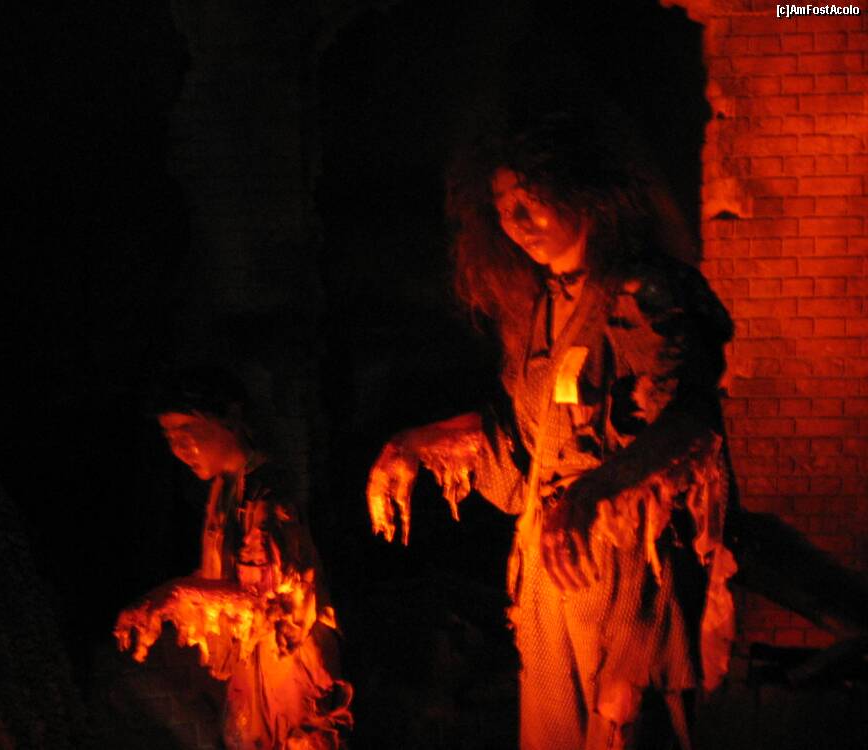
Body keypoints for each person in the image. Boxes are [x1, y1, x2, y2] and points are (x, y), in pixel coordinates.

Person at [366, 114, 737, 750]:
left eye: (530, 200)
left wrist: (594, 492)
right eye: (503, 208)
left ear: (582, 193)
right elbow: (521, 448)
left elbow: (692, 421)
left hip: (630, 561)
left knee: (625, 721)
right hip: (549, 568)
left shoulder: (642, 290)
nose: (516, 222)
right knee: (553, 729)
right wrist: (420, 442)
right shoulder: (539, 310)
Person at [115, 371, 353, 750]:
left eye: (188, 430)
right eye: (169, 436)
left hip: (287, 672)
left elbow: (265, 604)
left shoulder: (267, 496)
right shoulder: (222, 489)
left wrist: (176, 596)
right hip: (250, 673)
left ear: (231, 417)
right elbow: (221, 579)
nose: (179, 447)